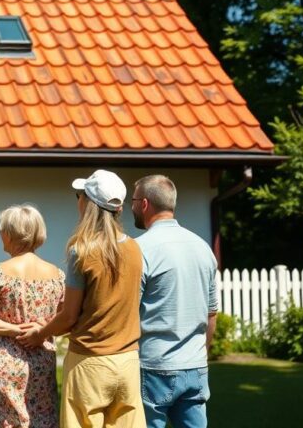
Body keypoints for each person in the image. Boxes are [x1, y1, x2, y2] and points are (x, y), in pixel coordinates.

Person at [18, 170, 146, 428]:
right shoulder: (135, 248)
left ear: (88, 204)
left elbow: (69, 316)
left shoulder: (82, 251)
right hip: (128, 362)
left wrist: (39, 333)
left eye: (80, 196)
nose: (78, 200)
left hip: (89, 363)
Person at [0, 204, 66, 428]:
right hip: (42, 359)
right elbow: (67, 319)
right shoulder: (57, 275)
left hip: (5, 361)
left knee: (6, 421)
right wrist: (41, 330)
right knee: (41, 419)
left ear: (11, 234)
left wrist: (14, 330)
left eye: (1, 229)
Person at [131, 175, 218, 428]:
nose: (132, 206)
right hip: (196, 366)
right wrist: (202, 354)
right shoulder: (203, 248)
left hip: (153, 365)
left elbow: (128, 313)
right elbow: (211, 315)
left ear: (144, 204)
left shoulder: (140, 250)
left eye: (133, 201)